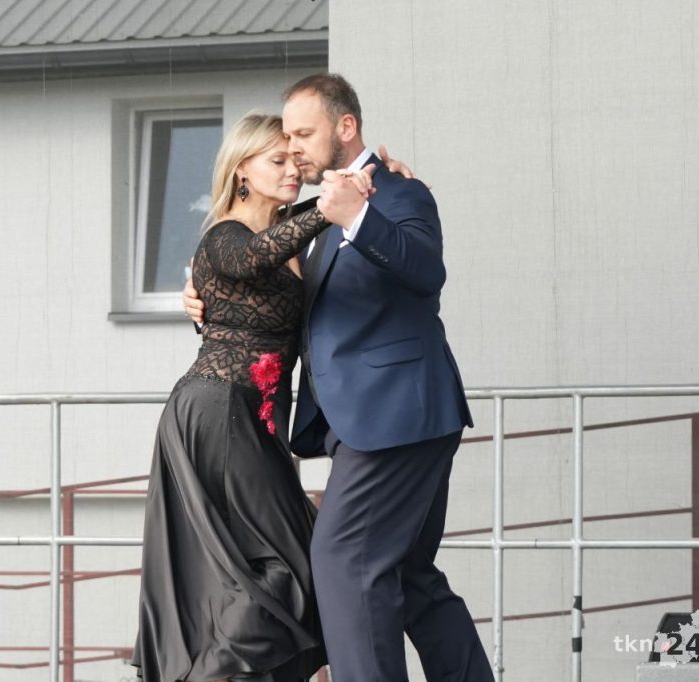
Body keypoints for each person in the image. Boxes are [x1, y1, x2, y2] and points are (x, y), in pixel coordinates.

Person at [184, 73, 493, 682]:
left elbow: (427, 270)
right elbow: (259, 275)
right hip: (368, 419)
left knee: (343, 559)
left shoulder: (398, 193)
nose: (293, 147)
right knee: (409, 574)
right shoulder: (320, 211)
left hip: (396, 413)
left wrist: (362, 216)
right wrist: (198, 297)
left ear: (345, 127)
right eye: (286, 138)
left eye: (303, 134)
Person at [133, 111, 380, 682]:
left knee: (305, 559)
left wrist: (376, 174)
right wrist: (332, 205)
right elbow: (253, 256)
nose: (293, 169)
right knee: (288, 563)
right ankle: (214, 672)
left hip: (257, 418)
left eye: (296, 159)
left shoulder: (289, 229)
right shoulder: (224, 236)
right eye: (277, 160)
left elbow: (304, 227)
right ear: (241, 170)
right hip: (218, 410)